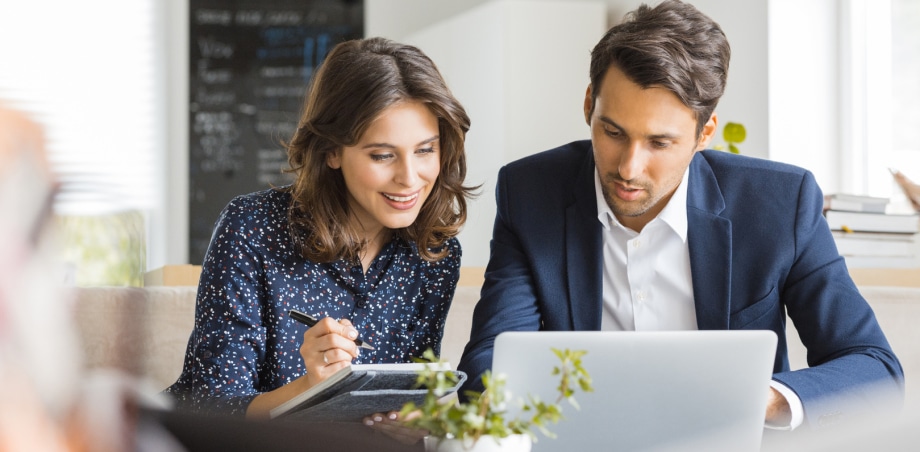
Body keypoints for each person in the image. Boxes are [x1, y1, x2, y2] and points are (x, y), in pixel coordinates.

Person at [457, 0, 903, 431]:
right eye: (612, 131)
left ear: (704, 132)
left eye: (659, 143)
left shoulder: (780, 203)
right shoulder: (531, 191)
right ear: (590, 102)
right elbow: (488, 365)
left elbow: (874, 367)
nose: (628, 168)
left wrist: (760, 399)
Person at [166, 37, 476, 420]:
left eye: (426, 150)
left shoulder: (435, 255)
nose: (410, 178)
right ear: (331, 151)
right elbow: (211, 410)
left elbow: (408, 398)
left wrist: (411, 423)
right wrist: (313, 386)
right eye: (382, 155)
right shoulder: (251, 229)